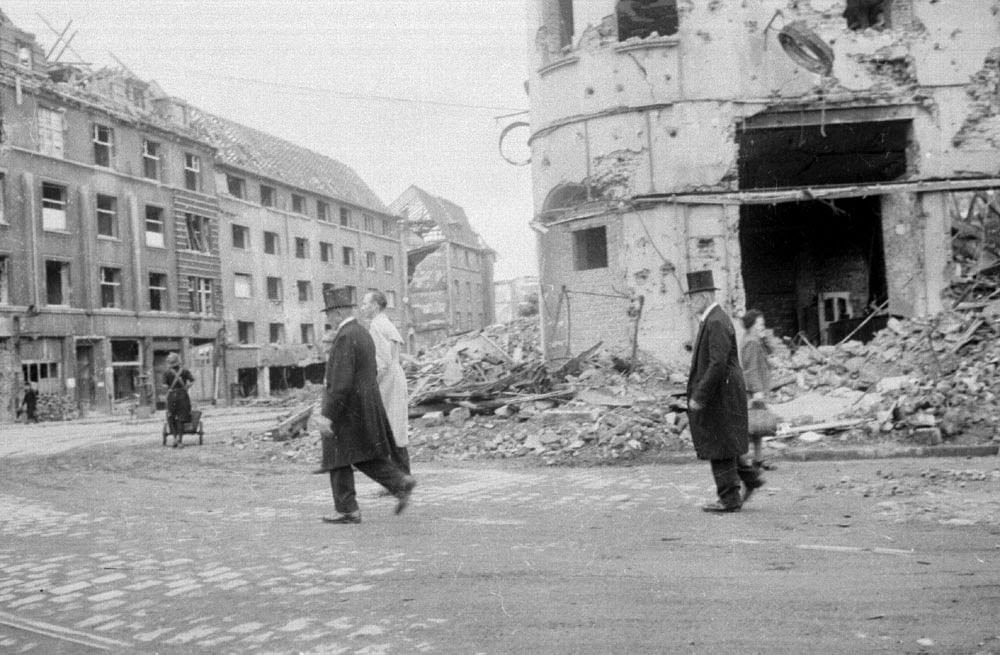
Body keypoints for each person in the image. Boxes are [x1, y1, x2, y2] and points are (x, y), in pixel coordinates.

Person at [315, 286, 416, 525]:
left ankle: (347, 509)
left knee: (338, 454)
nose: (327, 318)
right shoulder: (361, 332)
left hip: (347, 407)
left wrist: (328, 414)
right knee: (360, 454)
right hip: (363, 405)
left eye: (329, 313)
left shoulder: (345, 336)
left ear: (338, 313)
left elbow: (340, 381)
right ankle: (400, 482)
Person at [685, 270, 764, 513]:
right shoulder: (714, 319)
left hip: (721, 394)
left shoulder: (716, 321)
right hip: (723, 392)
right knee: (725, 441)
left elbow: (717, 363)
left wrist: (699, 396)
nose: (690, 302)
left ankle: (729, 499)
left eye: (693, 297)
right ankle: (749, 478)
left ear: (705, 297)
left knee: (719, 444)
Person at [361, 290, 411, 475]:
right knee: (395, 427)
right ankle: (402, 477)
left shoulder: (376, 326)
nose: (363, 307)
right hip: (395, 377)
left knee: (389, 428)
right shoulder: (386, 323)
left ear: (375, 306)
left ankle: (400, 479)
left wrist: (372, 386)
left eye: (365, 303)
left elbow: (382, 362)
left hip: (388, 381)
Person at [741, 308, 774, 471]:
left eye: (763, 323)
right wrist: (756, 391)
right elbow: (750, 369)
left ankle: (758, 459)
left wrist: (764, 337)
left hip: (759, 387)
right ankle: (744, 461)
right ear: (751, 325)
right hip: (754, 390)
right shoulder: (751, 342)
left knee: (757, 425)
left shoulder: (756, 340)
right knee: (751, 426)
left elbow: (771, 350)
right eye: (760, 324)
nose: (763, 326)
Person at [164, 352, 194, 448]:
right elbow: (192, 380)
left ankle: (174, 439)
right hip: (182, 396)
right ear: (178, 361)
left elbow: (164, 386)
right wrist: (187, 386)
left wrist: (169, 388)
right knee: (181, 418)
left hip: (172, 396)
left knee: (171, 417)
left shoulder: (167, 373)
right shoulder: (184, 371)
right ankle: (180, 441)